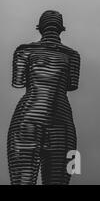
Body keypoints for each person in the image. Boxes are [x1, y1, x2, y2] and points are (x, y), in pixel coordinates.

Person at [7, 10, 80, 185]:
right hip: (63, 120)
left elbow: (18, 81)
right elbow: (72, 85)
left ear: (39, 27)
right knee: (62, 179)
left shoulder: (23, 51)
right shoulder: (73, 55)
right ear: (62, 28)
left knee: (22, 180)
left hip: (26, 119)